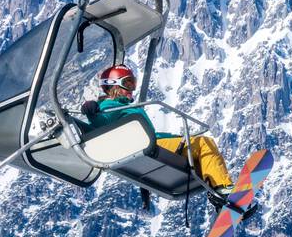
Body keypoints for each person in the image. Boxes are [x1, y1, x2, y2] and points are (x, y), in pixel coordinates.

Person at [80, 65, 235, 209]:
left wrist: (145, 184)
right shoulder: (110, 106)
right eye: (127, 84)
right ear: (114, 85)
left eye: (133, 84)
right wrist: (92, 112)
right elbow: (103, 125)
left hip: (148, 144)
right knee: (203, 143)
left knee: (199, 153)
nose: (131, 89)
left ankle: (219, 194)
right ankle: (222, 190)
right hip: (150, 144)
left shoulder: (125, 105)